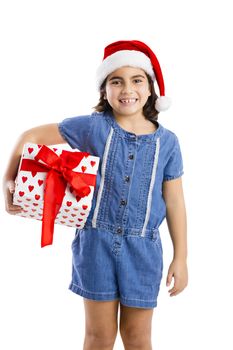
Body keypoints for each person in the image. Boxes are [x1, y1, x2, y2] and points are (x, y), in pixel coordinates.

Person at [3, 40, 188, 350]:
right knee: (98, 337)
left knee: (138, 338)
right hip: (95, 245)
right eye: (116, 81)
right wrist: (9, 180)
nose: (127, 88)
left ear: (151, 88)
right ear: (105, 90)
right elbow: (29, 137)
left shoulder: (168, 142)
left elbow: (175, 201)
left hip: (143, 251)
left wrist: (180, 257)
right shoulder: (92, 128)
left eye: (136, 80)